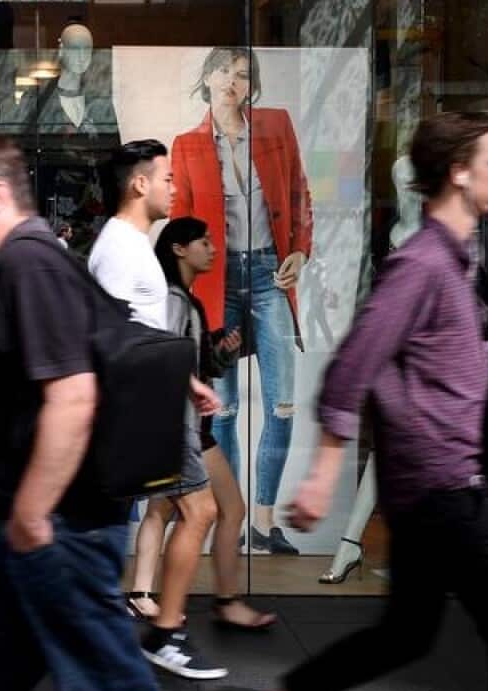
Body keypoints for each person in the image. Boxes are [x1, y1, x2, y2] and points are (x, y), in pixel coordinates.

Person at [215, 113, 488, 691]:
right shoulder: (420, 265)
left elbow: (453, 353)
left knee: (405, 634)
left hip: (430, 488)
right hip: (443, 488)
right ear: (458, 172)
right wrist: (323, 472)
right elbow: (352, 366)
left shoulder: (454, 258)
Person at [0, 130, 175, 691]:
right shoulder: (24, 260)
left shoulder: (31, 261)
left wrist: (32, 513)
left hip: (60, 529)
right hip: (31, 524)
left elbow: (73, 396)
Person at [87, 139, 224, 679]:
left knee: (181, 512)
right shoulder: (120, 248)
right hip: (147, 411)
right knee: (200, 510)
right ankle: (165, 633)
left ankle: (159, 628)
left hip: (159, 403)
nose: (174, 187)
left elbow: (142, 334)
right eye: (166, 178)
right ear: (139, 184)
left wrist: (186, 380)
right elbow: (114, 338)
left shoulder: (131, 244)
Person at [171, 47, 313, 555]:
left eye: (243, 74)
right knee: (224, 410)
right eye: (225, 71)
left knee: (282, 403)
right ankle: (231, 514)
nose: (234, 81)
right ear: (207, 79)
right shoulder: (187, 145)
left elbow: (299, 193)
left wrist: (300, 248)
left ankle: (266, 520)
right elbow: (181, 226)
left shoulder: (274, 126)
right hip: (218, 283)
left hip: (269, 273)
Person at [144, 217, 276, 633]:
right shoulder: (172, 300)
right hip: (178, 430)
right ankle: (166, 613)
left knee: (220, 509)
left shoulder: (189, 302)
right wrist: (196, 378)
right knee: (195, 513)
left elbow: (197, 365)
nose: (213, 249)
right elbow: (164, 360)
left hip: (192, 430)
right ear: (179, 249)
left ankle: (213, 602)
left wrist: (220, 352)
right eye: (204, 242)